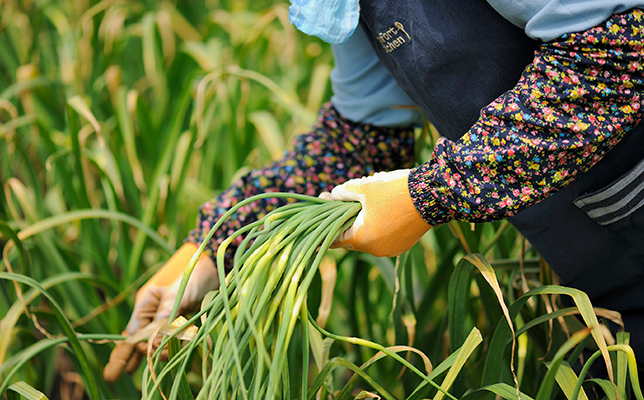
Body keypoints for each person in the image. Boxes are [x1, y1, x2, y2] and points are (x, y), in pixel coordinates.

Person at [104, 0, 644, 381]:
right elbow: (359, 138)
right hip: (602, 272)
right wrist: (215, 245)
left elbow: (616, 49)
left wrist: (431, 194)